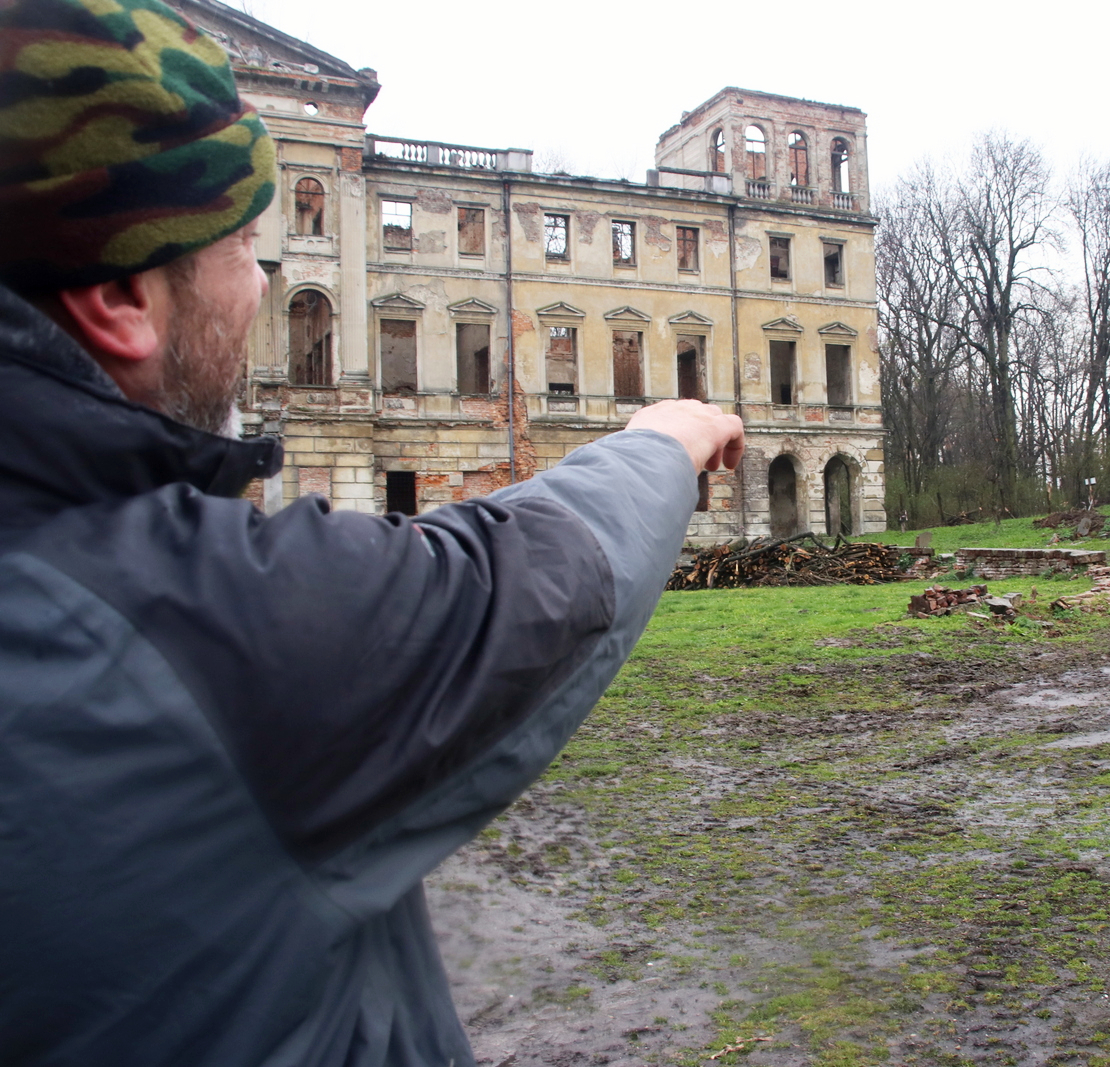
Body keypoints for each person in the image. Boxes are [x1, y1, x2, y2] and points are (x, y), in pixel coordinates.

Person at [0, 2, 744, 1064]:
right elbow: (521, 583)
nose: (264, 283)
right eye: (244, 246)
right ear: (121, 294)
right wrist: (662, 436)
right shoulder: (174, 619)